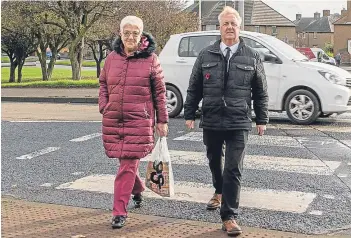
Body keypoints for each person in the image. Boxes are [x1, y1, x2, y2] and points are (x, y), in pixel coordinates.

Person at [184, 6, 269, 236]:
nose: (230, 27)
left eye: (233, 23)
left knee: (233, 168)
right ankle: (218, 190)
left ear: (239, 27)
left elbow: (260, 91)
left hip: (239, 120)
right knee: (214, 159)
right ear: (219, 28)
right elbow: (194, 87)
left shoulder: (252, 56)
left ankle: (229, 216)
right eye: (226, 24)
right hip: (211, 118)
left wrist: (262, 118)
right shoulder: (205, 55)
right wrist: (189, 113)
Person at [98, 15, 168, 229]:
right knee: (126, 163)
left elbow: (160, 92)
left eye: (135, 33)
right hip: (114, 119)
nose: (130, 36)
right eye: (126, 32)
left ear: (141, 35)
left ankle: (119, 211)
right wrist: (104, 105)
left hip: (139, 121)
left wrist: (162, 120)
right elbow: (103, 83)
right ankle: (137, 190)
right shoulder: (111, 58)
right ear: (120, 34)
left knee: (127, 164)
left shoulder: (151, 59)